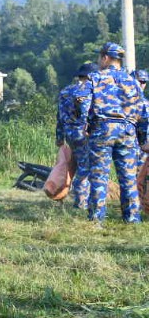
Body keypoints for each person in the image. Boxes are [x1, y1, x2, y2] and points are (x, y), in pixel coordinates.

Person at [79, 42, 145, 224]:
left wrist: (84, 125)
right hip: (128, 130)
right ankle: (132, 219)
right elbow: (143, 112)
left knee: (99, 176)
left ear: (105, 58)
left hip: (102, 129)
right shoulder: (133, 81)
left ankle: (96, 219)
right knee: (129, 179)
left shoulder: (95, 78)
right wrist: (142, 138)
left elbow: (82, 103)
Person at [57, 63, 98, 211]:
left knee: (74, 165)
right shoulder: (87, 91)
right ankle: (80, 202)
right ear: (90, 76)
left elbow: (59, 116)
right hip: (83, 133)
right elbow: (86, 114)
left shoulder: (65, 91)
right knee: (84, 168)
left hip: (69, 134)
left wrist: (59, 136)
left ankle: (66, 196)